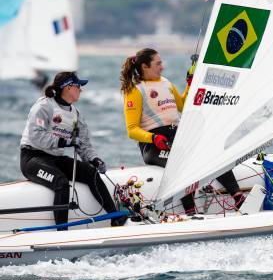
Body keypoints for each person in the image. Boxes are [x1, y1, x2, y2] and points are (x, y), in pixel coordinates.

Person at [120, 48, 243, 205]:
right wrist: (153, 138)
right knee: (181, 164)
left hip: (177, 136)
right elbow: (131, 130)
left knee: (212, 152)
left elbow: (183, 105)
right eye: (158, 64)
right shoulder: (135, 90)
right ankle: (190, 212)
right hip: (153, 145)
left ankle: (238, 196)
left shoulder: (166, 83)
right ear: (145, 66)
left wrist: (190, 85)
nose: (162, 67)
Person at [20, 72, 125, 229]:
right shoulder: (43, 106)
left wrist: (94, 159)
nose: (81, 90)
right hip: (32, 158)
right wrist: (64, 141)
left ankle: (116, 218)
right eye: (78, 86)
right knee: (61, 183)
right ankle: (62, 232)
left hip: (54, 158)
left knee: (91, 173)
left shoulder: (75, 114)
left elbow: (84, 145)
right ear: (68, 87)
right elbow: (36, 136)